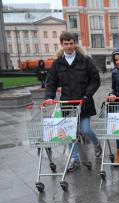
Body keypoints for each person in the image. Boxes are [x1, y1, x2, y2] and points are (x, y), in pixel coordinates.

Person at [44, 31, 102, 172]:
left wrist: (87, 95)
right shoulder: (58, 63)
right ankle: (75, 159)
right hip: (67, 104)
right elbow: (51, 82)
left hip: (84, 102)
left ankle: (97, 143)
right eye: (66, 44)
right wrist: (50, 97)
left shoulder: (85, 60)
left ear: (75, 43)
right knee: (69, 133)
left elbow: (95, 80)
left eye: (71, 43)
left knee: (86, 129)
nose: (69, 46)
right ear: (62, 44)